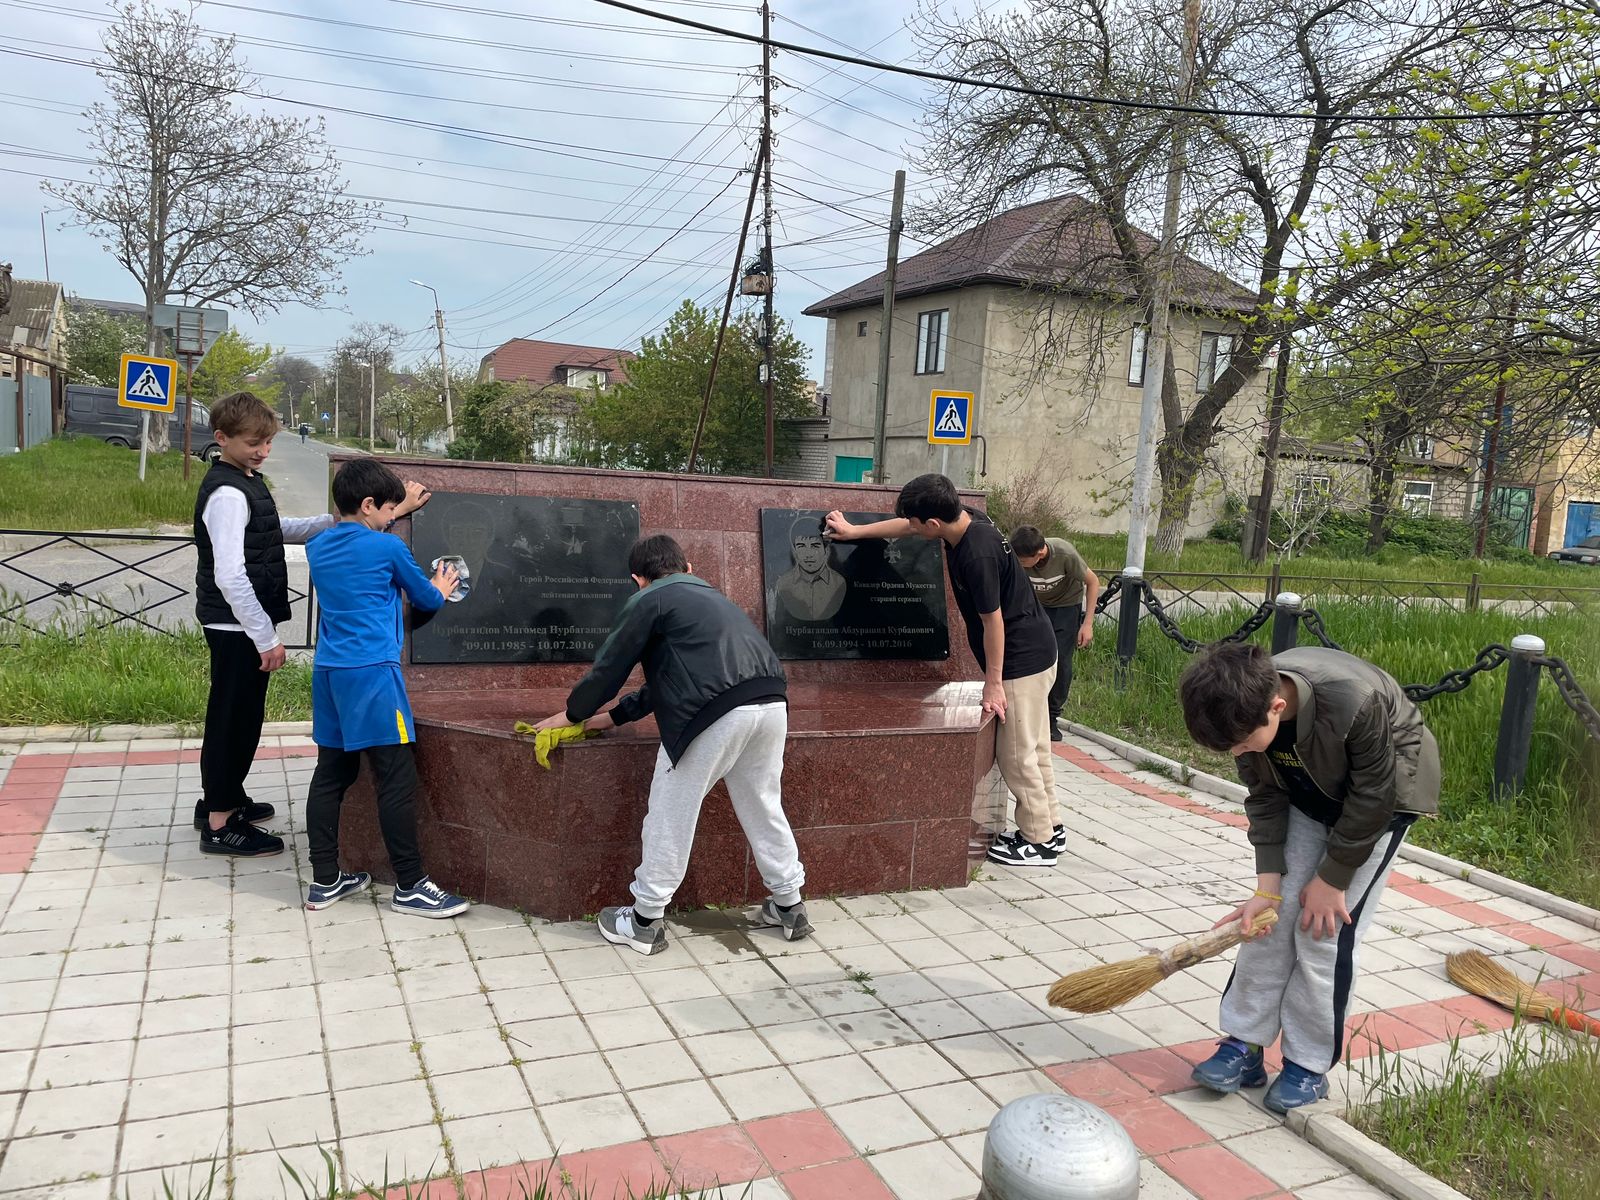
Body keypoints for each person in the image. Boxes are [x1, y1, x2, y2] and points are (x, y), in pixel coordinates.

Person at [1178, 642, 1440, 1114]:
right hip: (1309, 791)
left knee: (1323, 934)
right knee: (1268, 923)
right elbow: (1263, 795)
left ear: (1276, 707)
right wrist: (1267, 887)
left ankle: (1308, 1064)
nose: (1237, 752)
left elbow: (1374, 797)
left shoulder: (1353, 702)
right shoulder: (1240, 709)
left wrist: (1333, 879)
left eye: (1241, 744)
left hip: (1382, 803)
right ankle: (1246, 1044)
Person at [532, 534, 810, 955]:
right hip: (770, 704)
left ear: (637, 579)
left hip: (713, 714)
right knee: (762, 803)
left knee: (670, 812)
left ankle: (643, 920)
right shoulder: (713, 598)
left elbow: (609, 668)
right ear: (689, 567)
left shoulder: (651, 599)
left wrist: (571, 715)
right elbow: (671, 680)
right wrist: (606, 719)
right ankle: (789, 905)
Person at [826, 474, 1062, 868]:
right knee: (1035, 748)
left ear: (933, 525)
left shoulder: (976, 555)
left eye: (918, 524)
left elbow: (993, 623)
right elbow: (907, 523)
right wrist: (855, 531)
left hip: (1022, 661)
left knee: (1017, 755)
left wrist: (993, 685)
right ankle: (1049, 827)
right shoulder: (966, 517)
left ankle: (1037, 842)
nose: (912, 529)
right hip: (1039, 650)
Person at [301, 458, 469, 918]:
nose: (394, 515)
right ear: (370, 504)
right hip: (373, 675)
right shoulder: (388, 549)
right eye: (389, 508)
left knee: (331, 775)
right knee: (396, 776)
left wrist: (400, 508)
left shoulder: (319, 547)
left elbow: (360, 536)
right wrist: (441, 581)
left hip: (329, 672)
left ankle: (325, 879)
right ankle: (412, 885)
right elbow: (428, 598)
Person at [192, 392, 342, 856]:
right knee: (232, 722)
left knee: (240, 717)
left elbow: (274, 529)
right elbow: (230, 573)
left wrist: (329, 523)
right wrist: (266, 637)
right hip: (236, 627)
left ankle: (224, 800)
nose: (262, 450)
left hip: (241, 626)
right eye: (253, 442)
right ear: (222, 439)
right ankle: (220, 823)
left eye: (267, 442)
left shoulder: (246, 480)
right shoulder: (228, 493)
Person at [1009, 526, 1099, 743]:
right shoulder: (1016, 554)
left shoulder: (1064, 553)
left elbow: (1093, 581)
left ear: (1039, 553)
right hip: (1036, 605)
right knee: (1028, 657)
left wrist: (1087, 624)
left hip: (1066, 607)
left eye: (1022, 561)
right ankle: (1028, 713)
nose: (1020, 564)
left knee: (1059, 660)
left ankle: (1051, 718)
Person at [772, 515, 847, 624]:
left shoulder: (839, 583)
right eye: (801, 546)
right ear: (795, 552)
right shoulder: (783, 583)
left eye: (815, 546)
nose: (808, 554)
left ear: (826, 551)